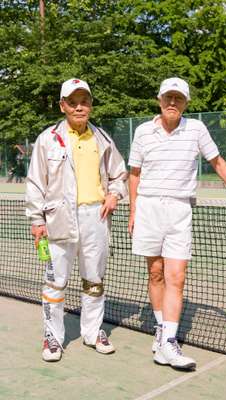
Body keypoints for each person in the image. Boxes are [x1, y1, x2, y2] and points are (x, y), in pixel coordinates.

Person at [128, 77, 226, 371]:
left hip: (180, 209)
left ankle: (169, 340)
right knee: (155, 272)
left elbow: (217, 161)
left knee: (177, 275)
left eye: (179, 99)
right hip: (148, 207)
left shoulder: (196, 129)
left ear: (185, 103)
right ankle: (160, 330)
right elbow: (134, 173)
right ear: (159, 100)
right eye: (168, 98)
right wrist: (133, 211)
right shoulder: (143, 132)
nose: (173, 103)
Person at [26, 78, 127, 362]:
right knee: (56, 282)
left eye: (84, 101)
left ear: (90, 105)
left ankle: (93, 332)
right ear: (63, 106)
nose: (79, 107)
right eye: (73, 102)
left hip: (96, 217)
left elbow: (119, 174)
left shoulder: (103, 139)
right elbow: (35, 182)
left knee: (94, 281)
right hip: (58, 219)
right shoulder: (48, 139)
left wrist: (115, 195)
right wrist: (37, 219)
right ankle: (53, 338)